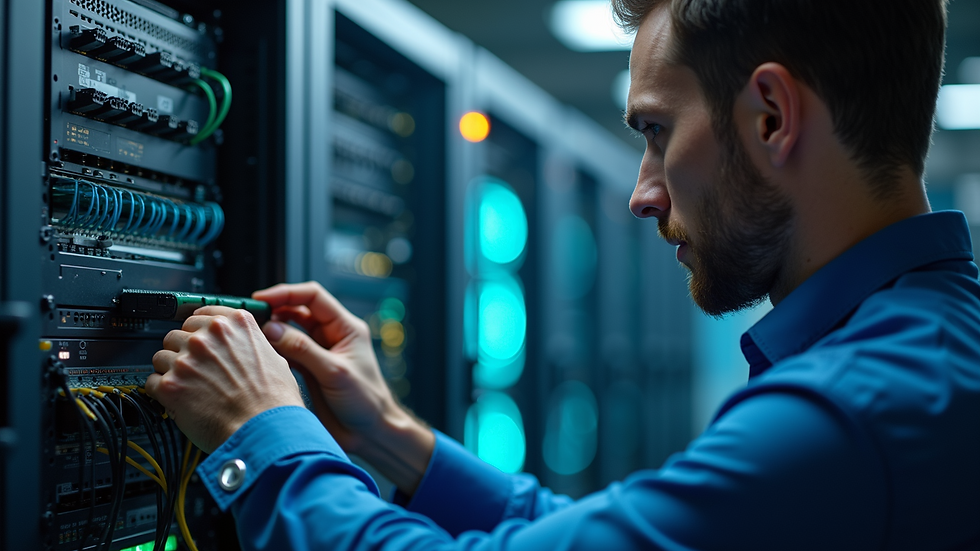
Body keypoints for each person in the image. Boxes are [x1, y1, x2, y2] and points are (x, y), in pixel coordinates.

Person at [146, 0, 980, 548]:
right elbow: (598, 534)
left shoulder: (849, 412)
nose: (641, 193)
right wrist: (393, 439)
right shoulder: (929, 349)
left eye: (657, 131)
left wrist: (261, 437)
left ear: (771, 116)